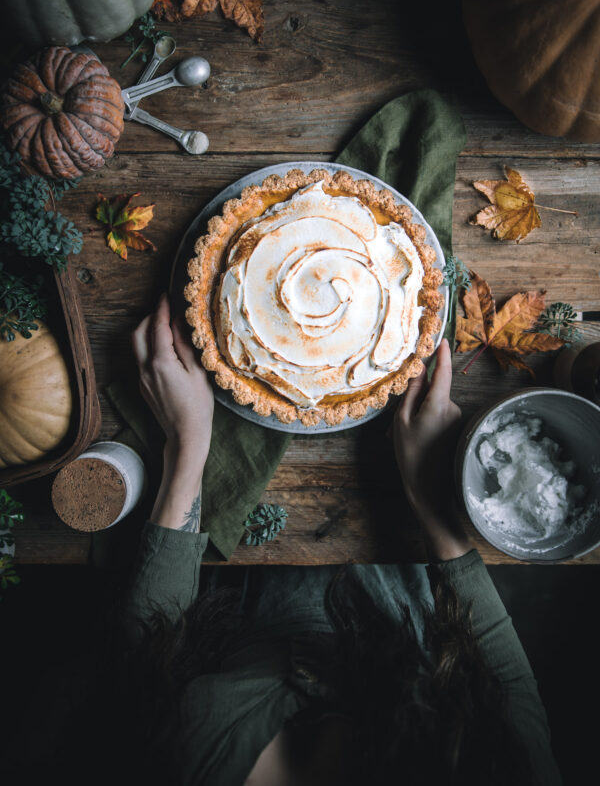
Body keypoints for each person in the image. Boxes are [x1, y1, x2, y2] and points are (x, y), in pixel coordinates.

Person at [20, 295, 562, 786]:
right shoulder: (499, 769)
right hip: (394, 585)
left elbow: (143, 657)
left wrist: (186, 446)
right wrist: (429, 500)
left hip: (213, 609)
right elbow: (504, 682)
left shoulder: (178, 763)